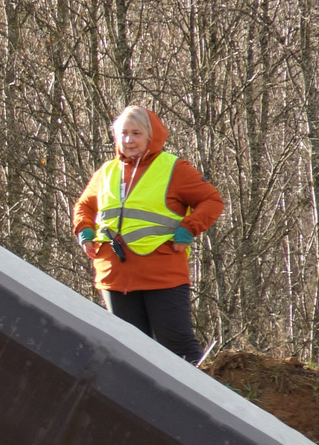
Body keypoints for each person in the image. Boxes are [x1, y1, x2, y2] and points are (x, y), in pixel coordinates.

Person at [74, 105, 224, 363]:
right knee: (129, 353)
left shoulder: (173, 168)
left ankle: (210, 391)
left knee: (178, 347)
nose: (128, 140)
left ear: (151, 136)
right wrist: (85, 231)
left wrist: (188, 228)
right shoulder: (107, 171)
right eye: (123, 133)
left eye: (136, 133)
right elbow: (84, 206)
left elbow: (212, 200)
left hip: (162, 273)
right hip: (115, 276)